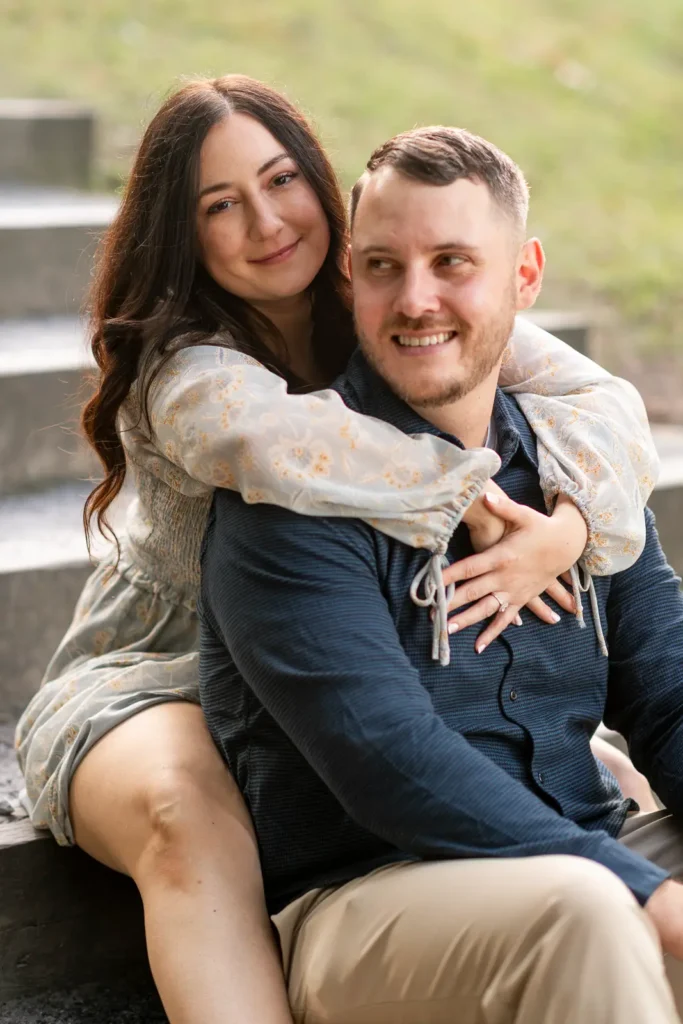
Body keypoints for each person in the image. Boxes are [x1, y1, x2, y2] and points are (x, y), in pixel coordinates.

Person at [15, 77, 657, 1024]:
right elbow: (283, 451)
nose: (266, 221)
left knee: (596, 769)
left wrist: (566, 529)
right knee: (188, 816)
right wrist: (473, 497)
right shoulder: (192, 373)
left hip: (321, 645)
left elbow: (601, 405)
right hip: (157, 668)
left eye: (280, 180)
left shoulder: (389, 292)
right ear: (183, 234)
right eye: (220, 204)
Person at [199, 125, 683, 1024]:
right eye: (382, 266)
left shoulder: (575, 472)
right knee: (588, 909)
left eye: (451, 262)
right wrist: (640, 888)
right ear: (350, 277)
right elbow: (387, 761)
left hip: (583, 847)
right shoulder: (291, 491)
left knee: (594, 896)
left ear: (523, 277)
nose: (415, 299)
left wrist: (628, 872)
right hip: (373, 898)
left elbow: (669, 693)